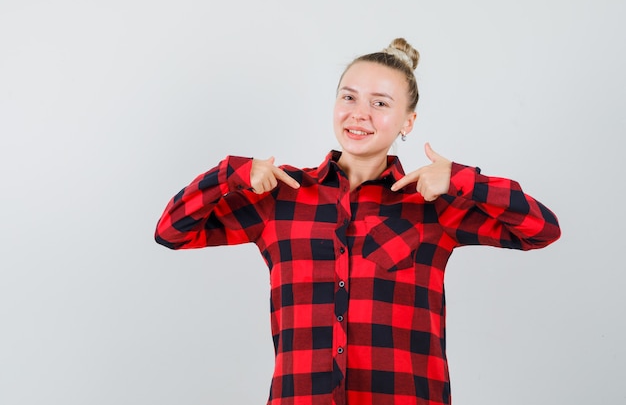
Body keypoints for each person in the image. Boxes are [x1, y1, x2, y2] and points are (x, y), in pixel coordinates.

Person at [154, 37, 561, 405]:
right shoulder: (279, 196)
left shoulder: (431, 202)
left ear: (408, 122)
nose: (359, 114)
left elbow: (541, 230)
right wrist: (229, 174)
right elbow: (172, 231)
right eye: (349, 98)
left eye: (380, 103)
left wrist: (462, 179)